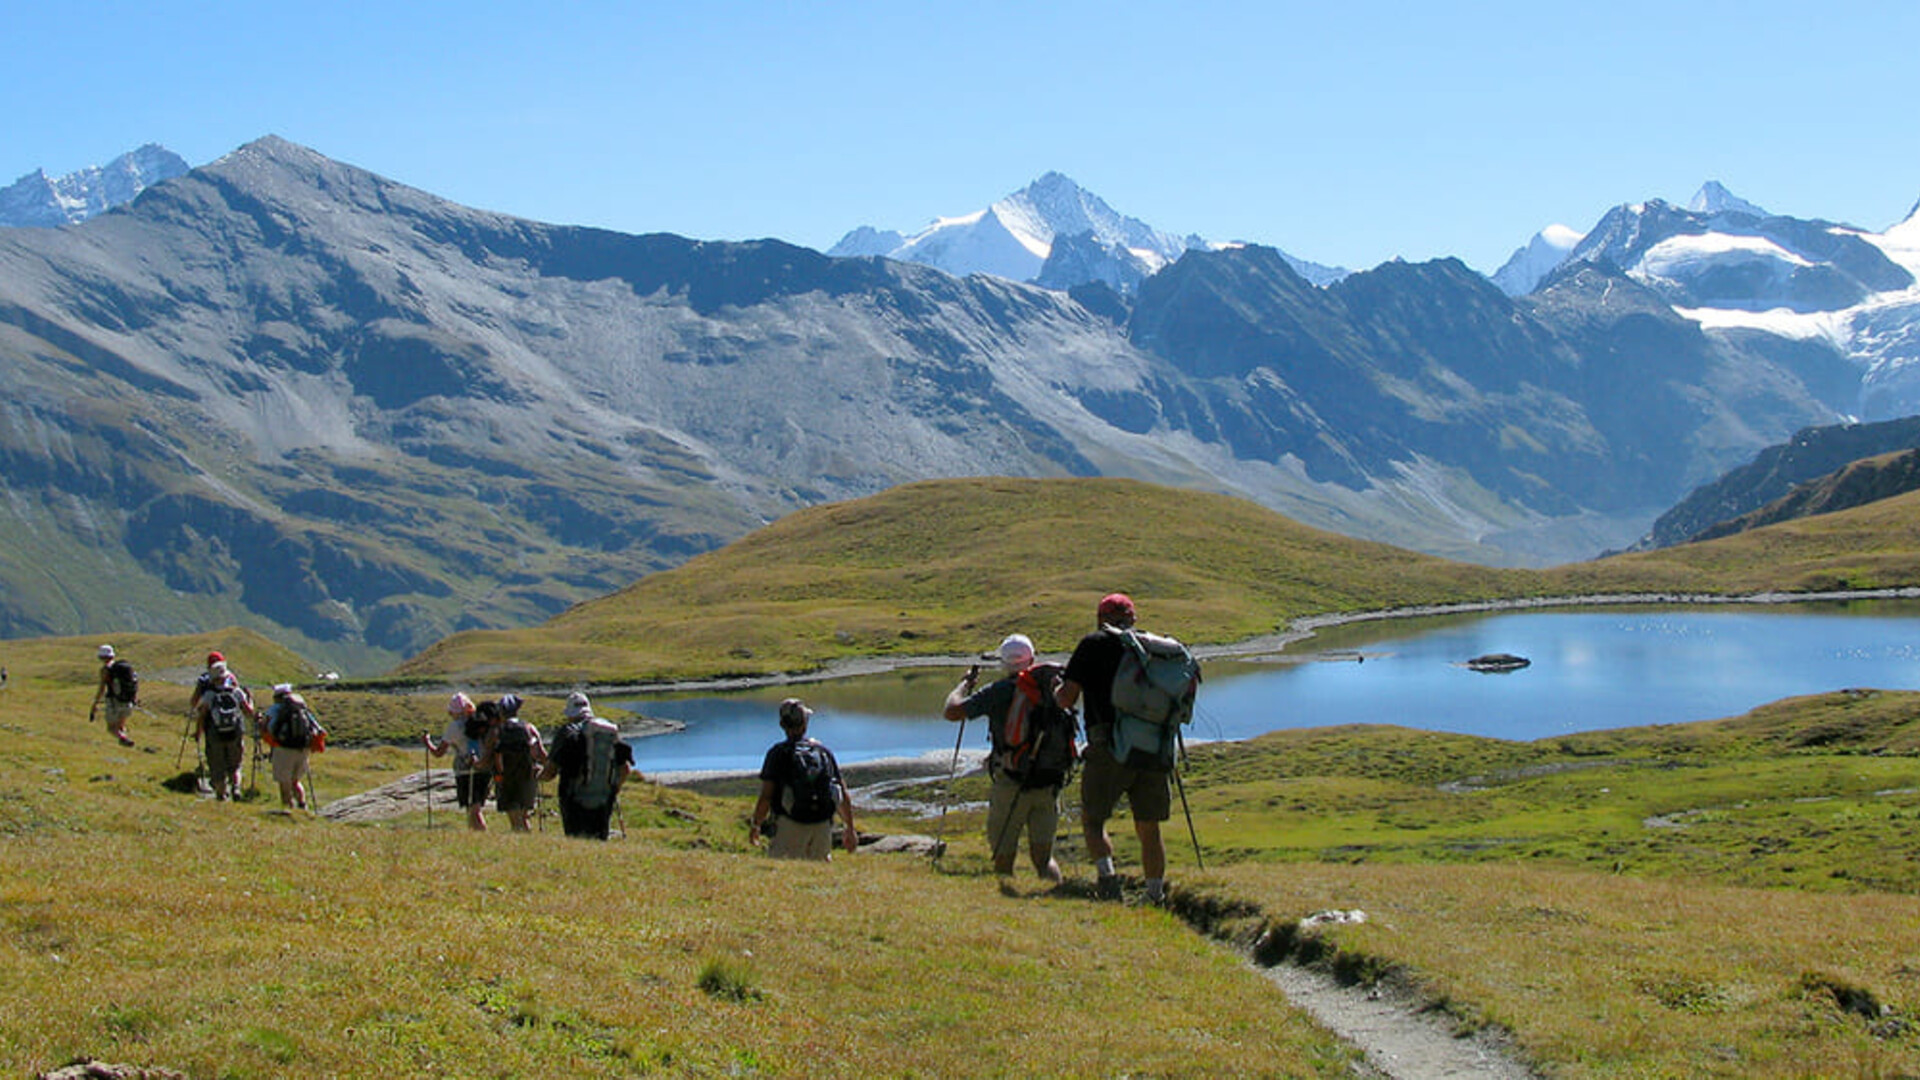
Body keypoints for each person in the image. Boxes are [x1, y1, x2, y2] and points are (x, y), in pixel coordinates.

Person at [1056, 592, 1171, 902]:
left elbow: (1067, 697)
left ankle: (1108, 881)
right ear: (1133, 617)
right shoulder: (1153, 645)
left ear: (1100, 618)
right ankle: (1155, 894)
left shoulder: (1092, 645)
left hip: (1108, 747)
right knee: (1149, 827)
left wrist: (1056, 690)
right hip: (1153, 746)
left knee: (1093, 820)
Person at [943, 633, 1068, 882]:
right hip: (1049, 782)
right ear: (1032, 659)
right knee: (1044, 858)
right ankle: (1054, 895)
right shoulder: (1054, 689)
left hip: (1011, 781)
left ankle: (1006, 902)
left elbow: (952, 711)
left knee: (1003, 856)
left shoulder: (999, 691)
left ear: (1004, 663)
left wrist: (964, 685)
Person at [749, 698, 857, 861]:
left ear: (782, 725)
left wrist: (756, 824)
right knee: (819, 875)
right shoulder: (822, 752)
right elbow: (842, 792)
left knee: (784, 874)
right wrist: (849, 828)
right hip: (822, 825)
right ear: (805, 724)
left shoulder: (777, 753)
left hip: (789, 823)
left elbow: (766, 796)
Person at [540, 692, 635, 839]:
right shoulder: (607, 732)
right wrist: (613, 789)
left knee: (576, 840)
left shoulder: (567, 733)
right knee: (599, 839)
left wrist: (538, 776)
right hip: (603, 797)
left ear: (570, 713)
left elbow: (550, 772)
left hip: (573, 798)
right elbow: (625, 769)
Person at [423, 692, 493, 831]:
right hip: (484, 767)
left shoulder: (455, 727)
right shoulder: (480, 721)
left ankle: (481, 835)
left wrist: (427, 742)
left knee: (472, 808)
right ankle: (475, 835)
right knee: (476, 806)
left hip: (465, 770)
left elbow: (439, 752)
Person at [478, 695, 546, 832]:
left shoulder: (496, 732)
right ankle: (527, 843)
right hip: (527, 777)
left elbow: (486, 759)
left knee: (514, 817)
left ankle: (521, 842)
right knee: (524, 816)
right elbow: (542, 755)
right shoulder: (529, 728)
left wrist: (476, 763)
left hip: (504, 778)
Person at [192, 661, 256, 801]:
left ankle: (221, 795)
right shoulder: (236, 692)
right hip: (235, 733)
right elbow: (249, 712)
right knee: (235, 764)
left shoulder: (209, 695)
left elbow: (201, 716)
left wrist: (198, 733)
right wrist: (250, 699)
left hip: (215, 734)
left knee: (217, 766)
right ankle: (236, 788)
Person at [264, 684, 324, 810]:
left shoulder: (275, 709)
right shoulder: (302, 708)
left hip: (283, 748)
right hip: (302, 748)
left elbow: (266, 727)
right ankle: (302, 804)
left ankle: (287, 807)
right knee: (295, 780)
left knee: (284, 781)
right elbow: (317, 729)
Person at [90, 644, 138, 747]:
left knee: (111, 728)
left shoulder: (106, 670)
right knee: (120, 726)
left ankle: (123, 738)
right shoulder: (124, 668)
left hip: (114, 701)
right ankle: (124, 739)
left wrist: (95, 704)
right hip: (127, 701)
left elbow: (102, 689)